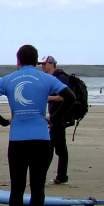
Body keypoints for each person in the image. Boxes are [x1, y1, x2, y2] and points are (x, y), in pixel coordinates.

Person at [0, 45, 75, 206]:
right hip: (41, 139)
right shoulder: (46, 78)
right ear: (36, 61)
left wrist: (3, 121)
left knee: (17, 187)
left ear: (18, 61)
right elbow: (70, 97)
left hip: (17, 140)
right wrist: (54, 119)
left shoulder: (8, 79)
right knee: (38, 186)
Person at [40, 56, 71, 186]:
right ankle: (62, 176)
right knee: (60, 148)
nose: (42, 66)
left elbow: (67, 96)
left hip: (60, 117)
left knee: (50, 146)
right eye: (41, 64)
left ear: (52, 64)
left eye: (44, 64)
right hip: (55, 116)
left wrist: (50, 98)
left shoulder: (61, 77)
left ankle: (41, 177)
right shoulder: (51, 78)